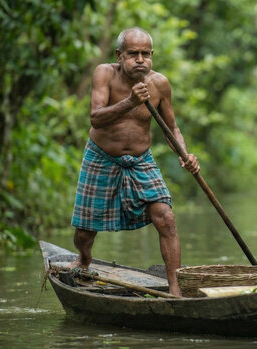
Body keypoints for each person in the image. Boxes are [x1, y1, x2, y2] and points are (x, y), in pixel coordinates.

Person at [68, 27, 199, 297]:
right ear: (119, 55)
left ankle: (175, 288)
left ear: (152, 56)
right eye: (133, 54)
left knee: (166, 218)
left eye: (145, 54)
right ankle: (84, 259)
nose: (140, 59)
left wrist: (185, 155)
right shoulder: (104, 74)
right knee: (85, 230)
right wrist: (130, 101)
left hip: (141, 159)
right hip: (101, 156)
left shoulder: (160, 83)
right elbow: (96, 118)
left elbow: (171, 128)